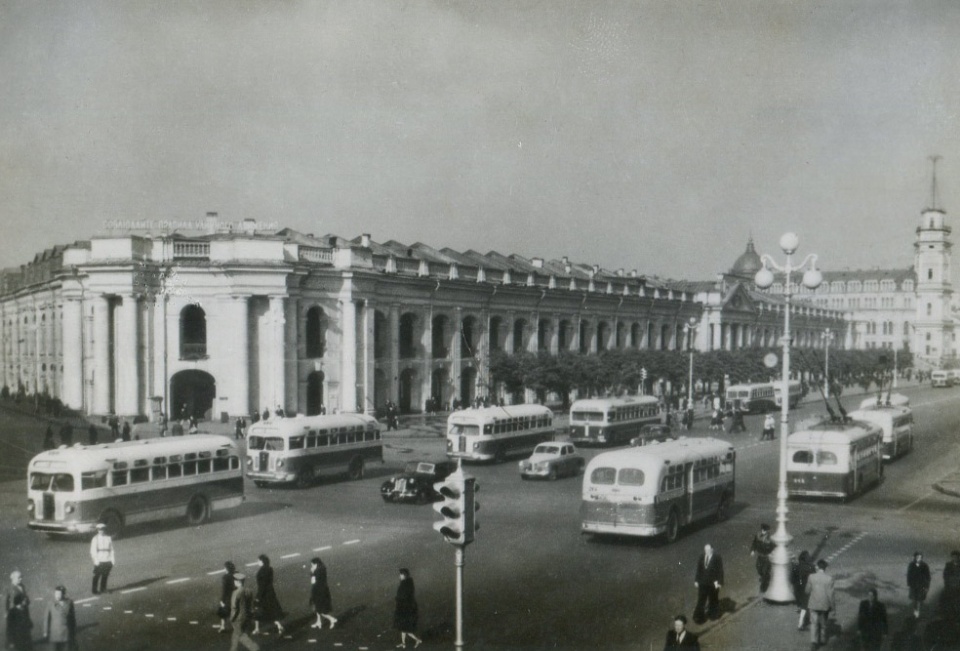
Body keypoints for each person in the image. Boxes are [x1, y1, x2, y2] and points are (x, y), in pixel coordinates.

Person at [806, 559, 835, 649]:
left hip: (813, 604)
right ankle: (822, 639)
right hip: (824, 605)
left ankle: (814, 642)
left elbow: (807, 591)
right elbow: (831, 595)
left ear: (817, 567)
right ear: (825, 568)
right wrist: (833, 608)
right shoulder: (829, 579)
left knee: (814, 623)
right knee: (823, 623)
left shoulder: (811, 577)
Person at [252, 555, 284, 636]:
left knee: (257, 610)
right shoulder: (269, 568)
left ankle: (256, 629)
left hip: (263, 594)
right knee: (271, 611)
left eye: (258, 561)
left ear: (262, 561)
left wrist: (258, 597)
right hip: (270, 593)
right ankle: (279, 626)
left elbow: (262, 585)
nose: (257, 562)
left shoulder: (262, 570)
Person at [693, 543, 723, 624]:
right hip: (703, 582)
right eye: (706, 550)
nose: (707, 551)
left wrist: (719, 583)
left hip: (713, 583)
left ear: (712, 550)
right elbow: (699, 570)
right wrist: (696, 580)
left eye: (709, 550)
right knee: (701, 600)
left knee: (713, 599)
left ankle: (713, 615)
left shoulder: (717, 558)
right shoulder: (702, 557)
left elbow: (720, 571)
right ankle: (698, 617)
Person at [229, 573, 260, 651]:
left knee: (240, 635)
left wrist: (232, 618)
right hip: (247, 616)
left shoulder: (236, 593)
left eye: (234, 581)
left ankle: (254, 648)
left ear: (237, 582)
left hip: (238, 618)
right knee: (236, 636)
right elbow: (252, 604)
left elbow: (234, 607)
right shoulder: (249, 590)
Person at [4, 570, 32, 651]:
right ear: (13, 578)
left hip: (24, 612)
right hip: (14, 614)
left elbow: (27, 599)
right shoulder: (9, 588)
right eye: (19, 577)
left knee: (25, 634)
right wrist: (7, 613)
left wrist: (26, 601)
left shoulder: (22, 586)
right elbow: (6, 602)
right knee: (14, 632)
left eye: (21, 577)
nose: (21, 579)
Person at [394, 568, 422, 649]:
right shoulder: (406, 583)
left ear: (404, 575)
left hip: (406, 608)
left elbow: (404, 596)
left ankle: (417, 640)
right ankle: (403, 643)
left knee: (405, 628)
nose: (399, 576)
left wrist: (398, 600)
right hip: (405, 608)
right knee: (403, 627)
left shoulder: (406, 584)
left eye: (401, 574)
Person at [42, 586, 75, 651]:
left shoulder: (69, 602)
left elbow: (72, 618)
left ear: (63, 594)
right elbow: (46, 618)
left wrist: (73, 631)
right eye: (56, 594)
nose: (57, 596)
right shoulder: (50, 603)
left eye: (59, 594)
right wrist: (45, 631)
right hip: (54, 634)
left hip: (66, 634)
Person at [308, 558, 337, 630]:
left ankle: (332, 619)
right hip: (324, 590)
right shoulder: (322, 569)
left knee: (319, 609)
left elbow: (313, 582)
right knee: (318, 607)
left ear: (316, 564)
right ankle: (318, 622)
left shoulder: (316, 571)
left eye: (312, 564)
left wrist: (312, 573)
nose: (311, 566)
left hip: (318, 591)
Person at [792, 550, 816, 631]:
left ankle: (802, 620)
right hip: (807, 588)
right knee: (806, 606)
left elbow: (792, 578)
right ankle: (801, 623)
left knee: (803, 605)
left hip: (798, 588)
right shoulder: (811, 567)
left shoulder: (796, 566)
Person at [89, 522, 115, 595]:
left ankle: (103, 588)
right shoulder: (95, 539)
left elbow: (111, 549)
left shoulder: (108, 538)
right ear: (97, 530)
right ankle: (94, 590)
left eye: (103, 529)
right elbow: (93, 551)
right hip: (99, 559)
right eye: (99, 530)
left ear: (105, 530)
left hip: (107, 559)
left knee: (105, 575)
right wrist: (96, 561)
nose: (101, 531)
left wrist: (112, 559)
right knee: (97, 575)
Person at [750, 524, 775, 593]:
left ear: (767, 531)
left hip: (767, 557)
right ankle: (765, 577)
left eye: (765, 530)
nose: (763, 531)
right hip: (760, 556)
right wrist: (752, 550)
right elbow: (754, 543)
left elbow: (774, 547)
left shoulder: (770, 538)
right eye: (762, 530)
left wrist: (772, 554)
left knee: (764, 571)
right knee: (758, 568)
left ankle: (763, 588)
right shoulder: (758, 535)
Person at [907, 551, 931, 619]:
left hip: (922, 585)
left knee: (920, 599)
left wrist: (926, 586)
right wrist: (909, 584)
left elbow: (928, 576)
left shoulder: (924, 565)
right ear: (914, 557)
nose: (918, 558)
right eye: (917, 557)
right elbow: (909, 575)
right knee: (915, 600)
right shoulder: (911, 565)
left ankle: (919, 614)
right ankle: (916, 614)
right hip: (914, 586)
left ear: (921, 558)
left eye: (920, 557)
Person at [218, 562, 238, 633]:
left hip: (228, 598)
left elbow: (224, 589)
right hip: (237, 595)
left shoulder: (225, 577)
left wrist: (222, 600)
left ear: (226, 568)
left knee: (223, 611)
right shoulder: (237, 574)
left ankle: (223, 626)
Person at [942, 550, 960, 618]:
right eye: (954, 557)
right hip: (950, 586)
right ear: (952, 557)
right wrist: (947, 584)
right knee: (950, 600)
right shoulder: (948, 565)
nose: (955, 558)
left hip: (958, 586)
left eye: (957, 557)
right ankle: (950, 614)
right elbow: (945, 575)